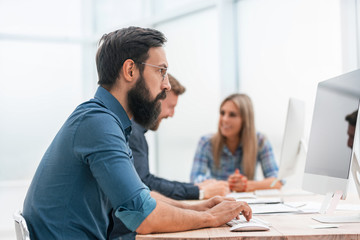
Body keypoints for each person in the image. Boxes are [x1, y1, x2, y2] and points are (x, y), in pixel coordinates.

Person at [22, 27, 251, 240]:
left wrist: (199, 206)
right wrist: (211, 217)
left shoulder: (106, 122)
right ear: (130, 70)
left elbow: (141, 199)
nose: (167, 85)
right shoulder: (98, 123)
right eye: (161, 71)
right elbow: (144, 217)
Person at [131, 73, 230, 200]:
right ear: (155, 99)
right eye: (171, 107)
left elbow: (147, 179)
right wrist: (199, 192)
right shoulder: (133, 133)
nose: (171, 114)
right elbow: (145, 184)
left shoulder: (137, 132)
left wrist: (196, 187)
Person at [190, 93, 282, 192]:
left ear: (245, 120)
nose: (224, 119)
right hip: (218, 201)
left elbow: (277, 181)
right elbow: (195, 179)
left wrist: (247, 185)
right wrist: (225, 185)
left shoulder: (260, 141)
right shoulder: (206, 142)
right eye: (222, 113)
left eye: (232, 115)